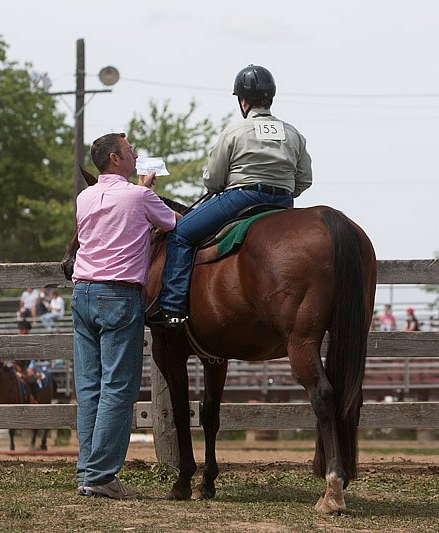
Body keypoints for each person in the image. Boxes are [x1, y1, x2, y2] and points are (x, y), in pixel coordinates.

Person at [149, 64, 313, 327]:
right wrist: (282, 191)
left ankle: (172, 307)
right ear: (270, 98)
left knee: (179, 234)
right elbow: (304, 178)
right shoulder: (293, 133)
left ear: (243, 101)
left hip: (241, 199)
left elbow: (212, 180)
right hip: (282, 202)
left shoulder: (234, 132)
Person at [72, 133, 176, 498]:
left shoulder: (85, 197)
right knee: (118, 386)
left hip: (82, 292)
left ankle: (89, 469)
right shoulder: (139, 196)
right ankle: (100, 476)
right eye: (130, 152)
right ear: (116, 159)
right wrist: (147, 190)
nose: (135, 156)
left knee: (90, 387)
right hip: (118, 296)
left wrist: (141, 188)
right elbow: (171, 224)